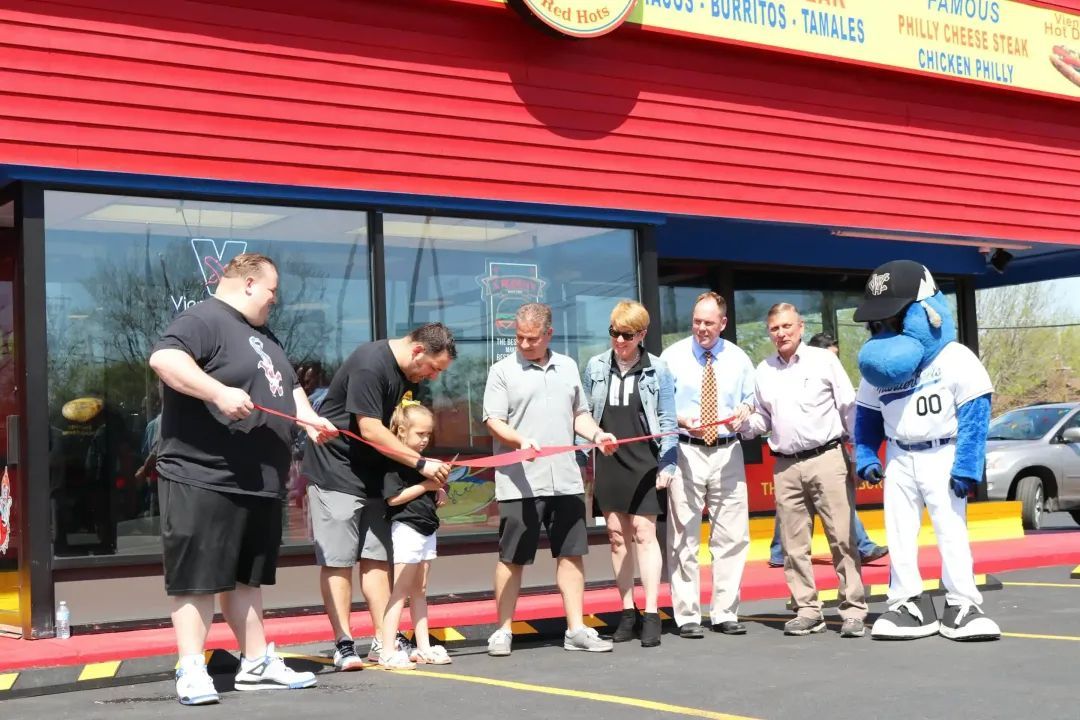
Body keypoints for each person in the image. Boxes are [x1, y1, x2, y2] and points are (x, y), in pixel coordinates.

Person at [149, 253, 335, 706]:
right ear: (249, 283)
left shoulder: (265, 335)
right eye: (272, 290)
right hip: (203, 474)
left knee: (247, 580)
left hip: (257, 479)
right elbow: (164, 358)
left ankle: (255, 664)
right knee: (196, 578)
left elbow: (289, 387)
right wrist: (217, 392)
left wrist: (309, 420)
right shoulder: (205, 319)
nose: (275, 299)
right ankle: (192, 669)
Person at [852, 259, 1000, 641]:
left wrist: (967, 465)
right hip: (899, 456)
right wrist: (866, 455)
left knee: (950, 530)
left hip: (942, 453)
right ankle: (907, 603)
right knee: (899, 532)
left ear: (926, 312)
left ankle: (962, 603)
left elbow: (975, 412)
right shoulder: (880, 367)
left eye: (895, 315)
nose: (886, 324)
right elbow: (866, 418)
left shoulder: (954, 357)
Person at [302, 323, 456, 670]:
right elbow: (370, 428)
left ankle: (383, 639)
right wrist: (420, 464)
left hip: (376, 475)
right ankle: (344, 643)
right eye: (433, 368)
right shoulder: (371, 364)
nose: (433, 376)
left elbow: (403, 431)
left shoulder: (410, 377)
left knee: (377, 557)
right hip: (336, 470)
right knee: (339, 559)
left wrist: (423, 475)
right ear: (418, 350)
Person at [483, 303, 618, 656]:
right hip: (520, 482)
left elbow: (579, 414)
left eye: (532, 338)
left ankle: (575, 629)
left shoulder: (568, 366)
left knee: (571, 555)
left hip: (567, 479)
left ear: (549, 335)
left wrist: (597, 435)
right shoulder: (501, 371)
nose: (524, 344)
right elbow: (493, 421)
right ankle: (502, 631)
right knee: (512, 557)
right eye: (519, 337)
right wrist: (520, 441)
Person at [743, 305, 868, 637]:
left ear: (800, 327)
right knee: (793, 546)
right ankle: (807, 610)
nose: (781, 333)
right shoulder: (764, 370)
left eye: (787, 326)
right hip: (785, 465)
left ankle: (853, 609)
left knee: (842, 538)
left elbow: (849, 406)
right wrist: (742, 423)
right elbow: (762, 419)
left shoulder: (823, 360)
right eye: (774, 328)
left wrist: (859, 452)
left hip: (828, 457)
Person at [659, 291, 754, 639]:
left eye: (709, 323)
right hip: (687, 450)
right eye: (697, 321)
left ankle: (725, 612)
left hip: (728, 451)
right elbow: (659, 409)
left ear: (723, 323)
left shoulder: (739, 359)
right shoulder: (671, 357)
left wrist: (745, 412)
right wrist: (681, 421)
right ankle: (687, 615)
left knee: (732, 536)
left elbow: (751, 401)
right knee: (684, 534)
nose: (701, 328)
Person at [582, 300, 677, 648]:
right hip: (609, 458)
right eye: (614, 333)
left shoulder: (658, 369)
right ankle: (626, 611)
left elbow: (667, 420)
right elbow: (584, 414)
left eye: (627, 335)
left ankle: (651, 612)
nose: (619, 341)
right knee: (616, 536)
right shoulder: (595, 366)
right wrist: (584, 454)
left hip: (645, 459)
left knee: (644, 532)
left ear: (642, 335)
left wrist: (668, 464)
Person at [766, 332, 888, 567]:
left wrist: (855, 448)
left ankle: (781, 550)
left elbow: (848, 410)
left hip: (829, 448)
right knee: (802, 505)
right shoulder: (785, 373)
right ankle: (782, 550)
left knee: (833, 501)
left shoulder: (829, 374)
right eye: (831, 355)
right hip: (798, 452)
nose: (834, 361)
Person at [377, 400, 453, 669]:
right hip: (407, 528)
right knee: (400, 591)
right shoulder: (395, 463)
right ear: (401, 431)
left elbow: (429, 487)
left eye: (428, 434)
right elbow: (393, 499)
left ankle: (423, 647)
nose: (425, 440)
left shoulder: (425, 464)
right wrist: (427, 486)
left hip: (427, 528)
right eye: (420, 434)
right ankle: (387, 649)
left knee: (420, 590)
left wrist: (438, 490)